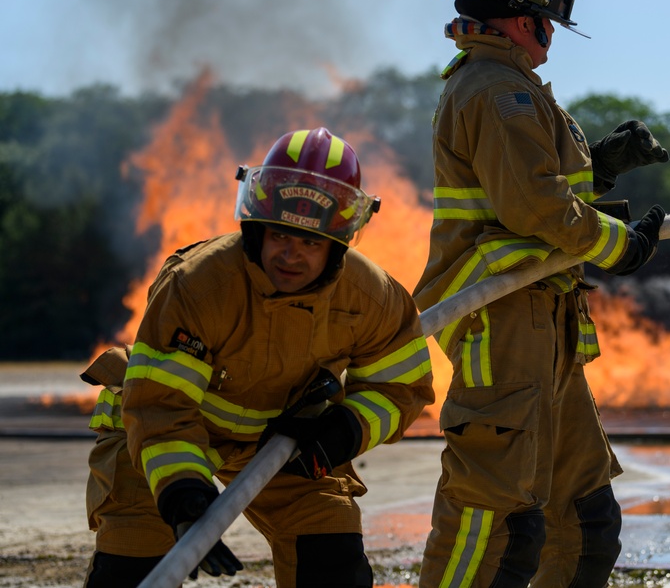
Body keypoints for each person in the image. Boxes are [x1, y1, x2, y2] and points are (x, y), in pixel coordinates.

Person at [417, 0, 669, 588]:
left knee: (585, 525)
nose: (549, 36)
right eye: (548, 23)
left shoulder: (504, 87)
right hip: (502, 324)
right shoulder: (500, 91)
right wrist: (623, 246)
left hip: (541, 324)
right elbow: (534, 209)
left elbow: (532, 200)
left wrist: (601, 167)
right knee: (498, 525)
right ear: (525, 18)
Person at [81, 127, 435, 588]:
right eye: (280, 235)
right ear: (257, 226)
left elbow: (400, 387)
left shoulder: (372, 297)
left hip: (284, 441)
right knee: (132, 569)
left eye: (311, 242)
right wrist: (184, 495)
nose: (291, 255)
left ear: (338, 243)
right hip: (159, 438)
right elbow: (161, 407)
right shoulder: (200, 284)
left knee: (331, 562)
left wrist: (342, 432)